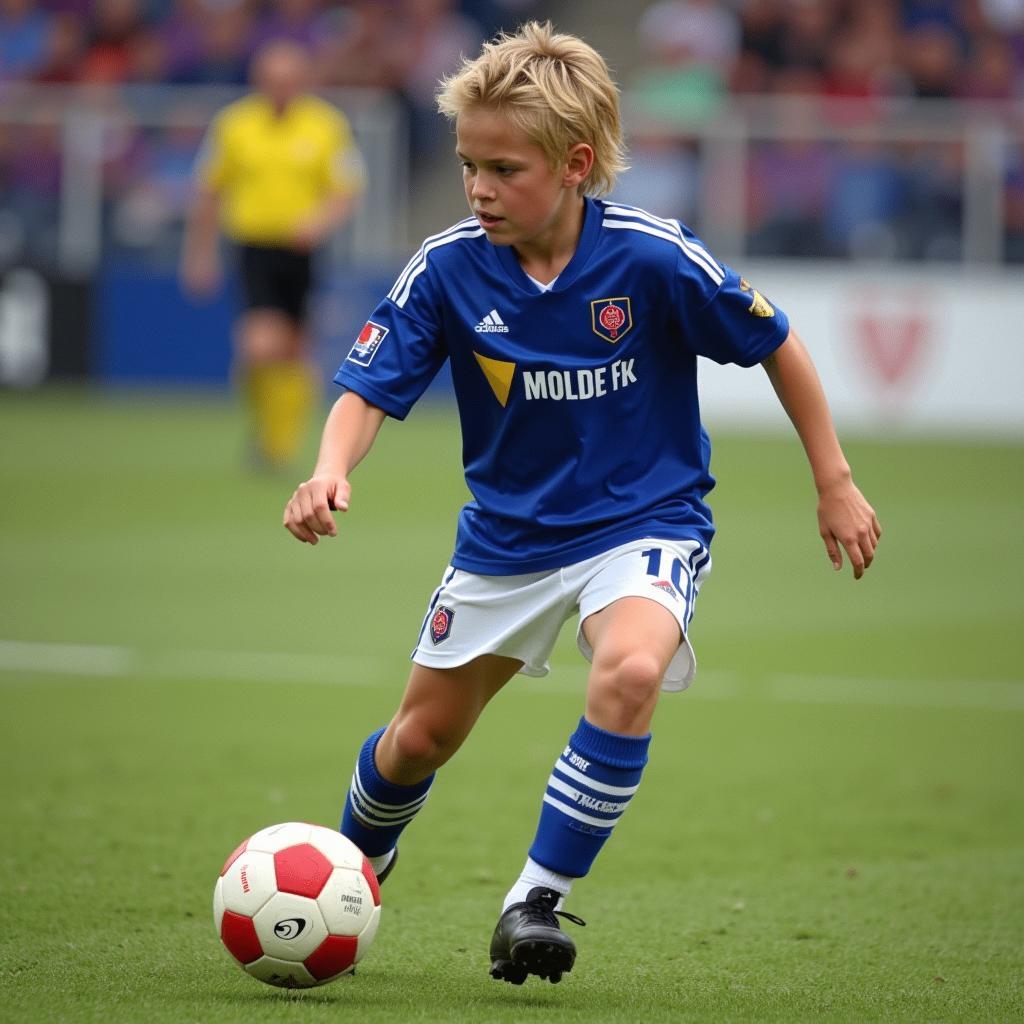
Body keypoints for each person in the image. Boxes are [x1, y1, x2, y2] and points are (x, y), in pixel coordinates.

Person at [283, 21, 881, 986]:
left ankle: (536, 900)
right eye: (468, 165)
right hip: (507, 538)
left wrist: (835, 480)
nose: (478, 188)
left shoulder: (651, 257)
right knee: (418, 740)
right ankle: (354, 870)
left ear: (576, 163)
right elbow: (368, 383)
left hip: (645, 522)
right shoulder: (445, 266)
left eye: (502, 169)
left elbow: (776, 341)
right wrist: (329, 467)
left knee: (632, 671)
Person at [182, 38, 365, 469]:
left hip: (302, 251)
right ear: (258, 81)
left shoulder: (324, 125)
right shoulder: (235, 125)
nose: (281, 87)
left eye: (289, 80)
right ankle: (268, 432)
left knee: (296, 350)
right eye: (272, 80)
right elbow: (209, 192)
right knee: (259, 346)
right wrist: (199, 255)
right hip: (254, 247)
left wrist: (318, 221)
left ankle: (279, 444)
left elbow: (346, 189)